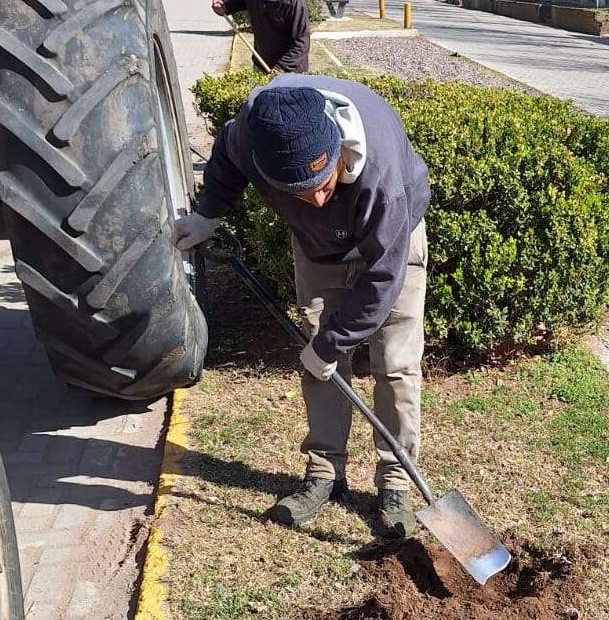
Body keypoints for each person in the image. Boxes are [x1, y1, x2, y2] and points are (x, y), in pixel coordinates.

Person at [173, 75, 430, 539]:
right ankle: (324, 473)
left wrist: (333, 342)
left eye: (322, 182)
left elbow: (383, 281)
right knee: (321, 366)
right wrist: (208, 213)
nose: (314, 198)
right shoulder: (253, 132)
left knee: (395, 363)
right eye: (298, 191)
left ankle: (396, 480)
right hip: (318, 252)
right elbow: (228, 158)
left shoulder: (383, 182)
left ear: (336, 149)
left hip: (392, 248)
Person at [212, 0, 311, 73]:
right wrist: (225, 6)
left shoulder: (294, 0)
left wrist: (281, 68)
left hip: (291, 69)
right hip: (261, 62)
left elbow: (301, 42)